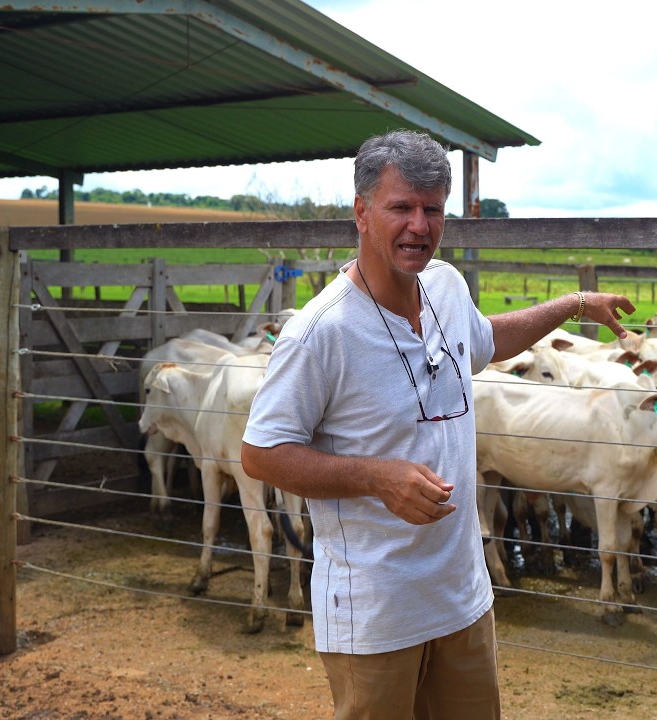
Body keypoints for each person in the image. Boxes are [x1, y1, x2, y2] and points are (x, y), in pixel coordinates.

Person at [240, 129, 635, 720]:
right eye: (400, 207)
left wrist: (573, 305)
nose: (418, 226)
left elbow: (487, 339)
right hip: (375, 612)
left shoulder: (446, 286)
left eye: (432, 209)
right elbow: (261, 454)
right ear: (361, 212)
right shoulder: (320, 332)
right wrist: (375, 478)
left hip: (462, 597)